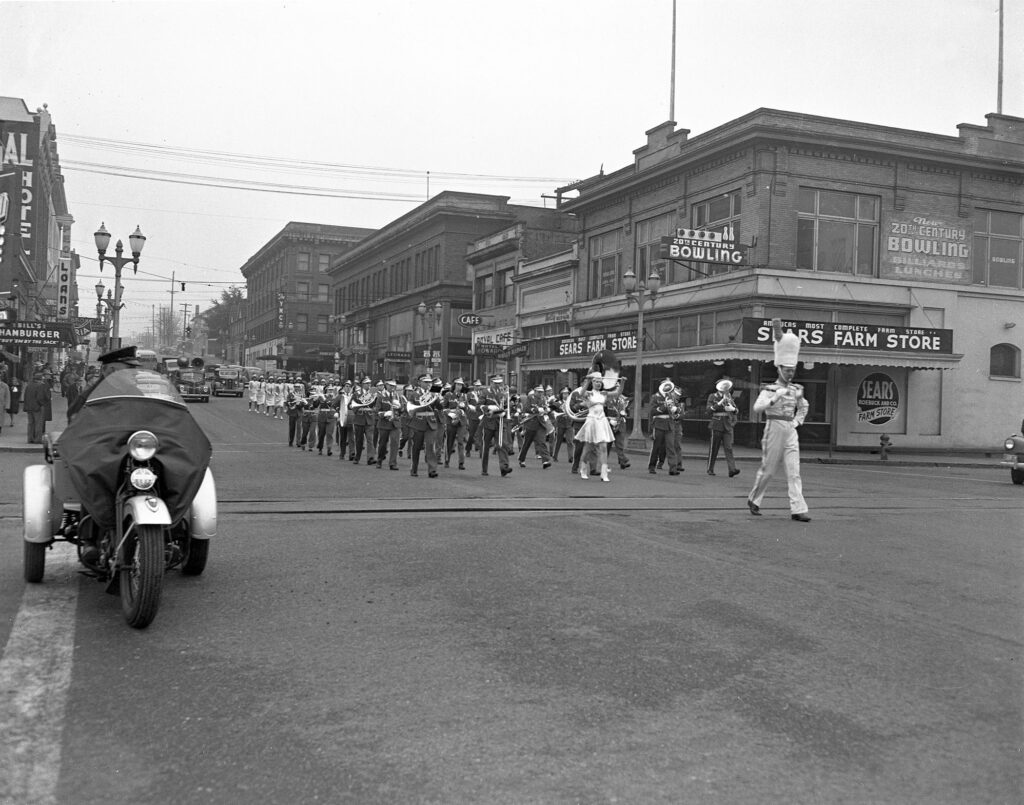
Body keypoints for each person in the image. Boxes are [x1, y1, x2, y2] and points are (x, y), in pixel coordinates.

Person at [747, 322, 811, 522]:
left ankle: (798, 509)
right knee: (769, 469)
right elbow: (757, 408)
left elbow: (804, 407)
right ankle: (755, 499)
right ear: (779, 368)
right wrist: (774, 398)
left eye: (793, 370)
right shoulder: (769, 388)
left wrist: (797, 422)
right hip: (773, 427)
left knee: (794, 471)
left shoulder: (795, 389)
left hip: (790, 429)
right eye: (788, 370)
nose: (791, 373)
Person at [575, 373, 616, 482]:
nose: (598, 383)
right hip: (592, 421)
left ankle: (604, 473)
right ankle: (583, 469)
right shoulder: (588, 394)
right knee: (588, 447)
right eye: (596, 381)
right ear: (592, 383)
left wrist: (623, 383)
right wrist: (587, 381)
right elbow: (581, 393)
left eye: (599, 382)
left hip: (601, 421)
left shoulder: (604, 394)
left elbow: (617, 393)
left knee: (603, 446)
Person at [407, 374, 442, 477]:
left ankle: (432, 470)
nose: (428, 384)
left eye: (429, 382)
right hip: (418, 422)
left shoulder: (433, 394)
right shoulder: (414, 394)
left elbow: (440, 407)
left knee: (431, 446)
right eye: (426, 382)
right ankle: (414, 469)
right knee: (416, 447)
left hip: (430, 422)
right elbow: (411, 407)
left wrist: (438, 397)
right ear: (420, 383)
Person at [478, 374, 514, 477]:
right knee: (485, 447)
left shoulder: (502, 393)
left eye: (500, 383)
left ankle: (504, 467)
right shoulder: (485, 392)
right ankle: (484, 469)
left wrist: (507, 408)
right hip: (488, 421)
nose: (498, 385)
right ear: (491, 382)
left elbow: (505, 406)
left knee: (502, 445)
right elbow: (479, 406)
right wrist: (488, 407)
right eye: (496, 383)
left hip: (499, 421)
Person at [706, 378, 741, 478]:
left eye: (727, 387)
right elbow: (708, 410)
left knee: (729, 448)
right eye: (724, 387)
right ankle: (710, 468)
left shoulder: (729, 396)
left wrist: (733, 409)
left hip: (727, 424)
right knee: (714, 448)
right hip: (716, 424)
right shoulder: (713, 396)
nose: (726, 389)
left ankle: (732, 469)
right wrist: (720, 403)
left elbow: (736, 410)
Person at [648, 379, 681, 475]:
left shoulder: (671, 396)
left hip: (669, 424)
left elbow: (678, 409)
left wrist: (675, 409)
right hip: (658, 423)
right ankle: (652, 466)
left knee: (671, 446)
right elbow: (652, 411)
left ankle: (673, 468)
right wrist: (664, 407)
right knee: (656, 446)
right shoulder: (655, 397)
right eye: (665, 385)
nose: (667, 388)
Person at [517, 384, 553, 469]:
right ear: (535, 391)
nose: (541, 394)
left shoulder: (543, 398)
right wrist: (536, 410)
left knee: (542, 442)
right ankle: (521, 459)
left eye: (542, 392)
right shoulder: (530, 397)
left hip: (541, 423)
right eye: (539, 392)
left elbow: (545, 407)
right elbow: (526, 408)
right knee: (527, 443)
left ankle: (545, 460)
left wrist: (547, 409)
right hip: (531, 423)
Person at [375, 379, 403, 470]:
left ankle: (393, 463)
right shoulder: (381, 397)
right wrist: (385, 414)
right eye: (390, 386)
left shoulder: (397, 396)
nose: (392, 388)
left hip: (395, 423)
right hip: (384, 423)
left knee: (395, 443)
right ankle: (379, 460)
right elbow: (377, 411)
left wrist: (400, 407)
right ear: (386, 385)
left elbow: (402, 410)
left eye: (394, 386)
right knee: (382, 444)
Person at [22, 370, 52, 443]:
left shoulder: (28, 386)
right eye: (42, 379)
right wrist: (42, 404)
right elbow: (40, 397)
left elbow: (25, 396)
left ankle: (30, 439)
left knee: (30, 424)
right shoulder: (40, 386)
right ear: (39, 380)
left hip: (29, 407)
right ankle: (38, 439)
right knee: (38, 423)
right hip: (37, 407)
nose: (42, 381)